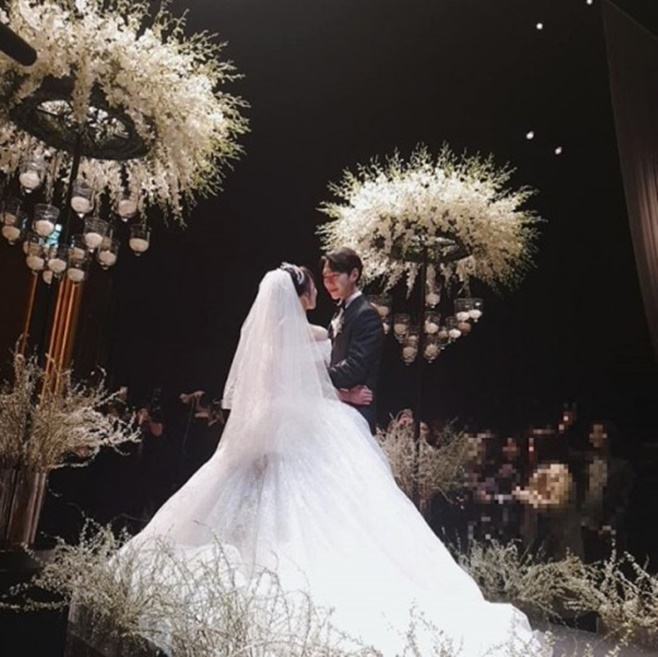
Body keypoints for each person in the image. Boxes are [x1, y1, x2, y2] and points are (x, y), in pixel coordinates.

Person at [118, 265, 544, 656]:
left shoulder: (282, 335)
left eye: (326, 277)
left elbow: (288, 381)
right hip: (306, 422)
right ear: (299, 294)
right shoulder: (305, 334)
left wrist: (335, 387)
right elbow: (300, 382)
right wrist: (342, 393)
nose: (319, 288)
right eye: (313, 282)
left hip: (281, 425)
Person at [322, 247, 384, 434]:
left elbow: (355, 367)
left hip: (357, 411)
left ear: (354, 275)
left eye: (334, 276)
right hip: (338, 406)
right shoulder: (341, 310)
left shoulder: (366, 314)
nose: (329, 283)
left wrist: (319, 377)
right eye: (325, 277)